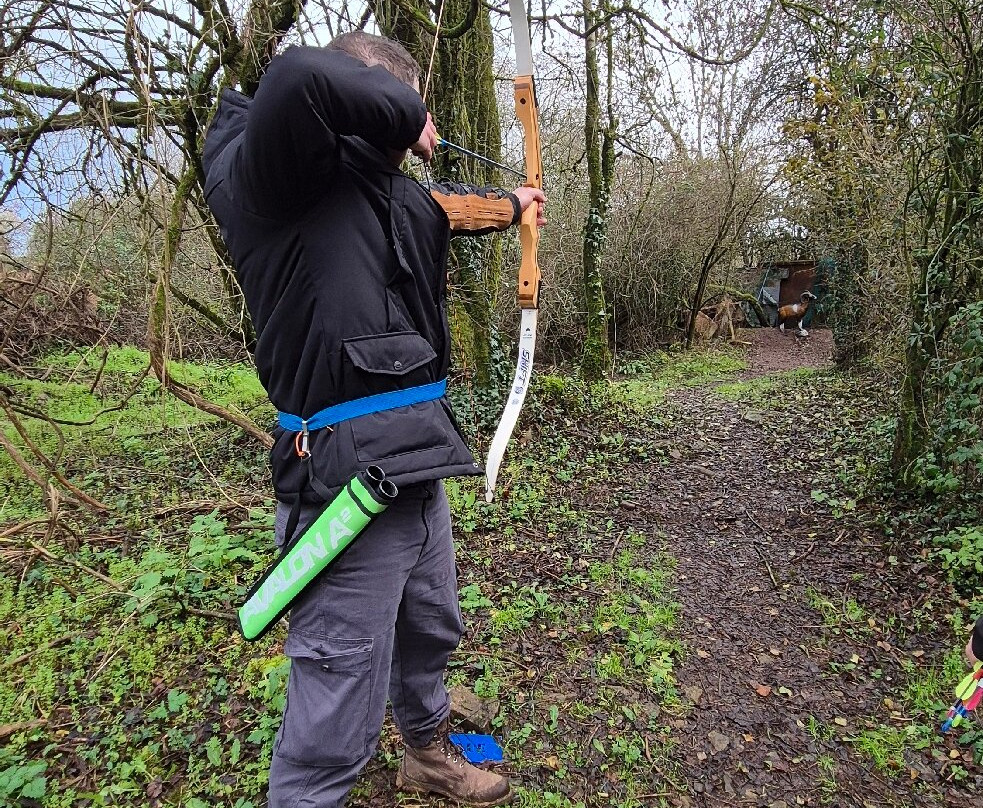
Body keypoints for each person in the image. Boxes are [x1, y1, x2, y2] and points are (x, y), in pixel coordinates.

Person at [202, 30, 545, 808]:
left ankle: (425, 751)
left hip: (419, 462)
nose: (412, 139)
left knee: (430, 627)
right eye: (399, 111)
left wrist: (511, 207)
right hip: (344, 480)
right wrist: (407, 109)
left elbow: (435, 212)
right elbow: (295, 79)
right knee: (339, 681)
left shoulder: (379, 195)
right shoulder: (277, 176)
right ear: (374, 102)